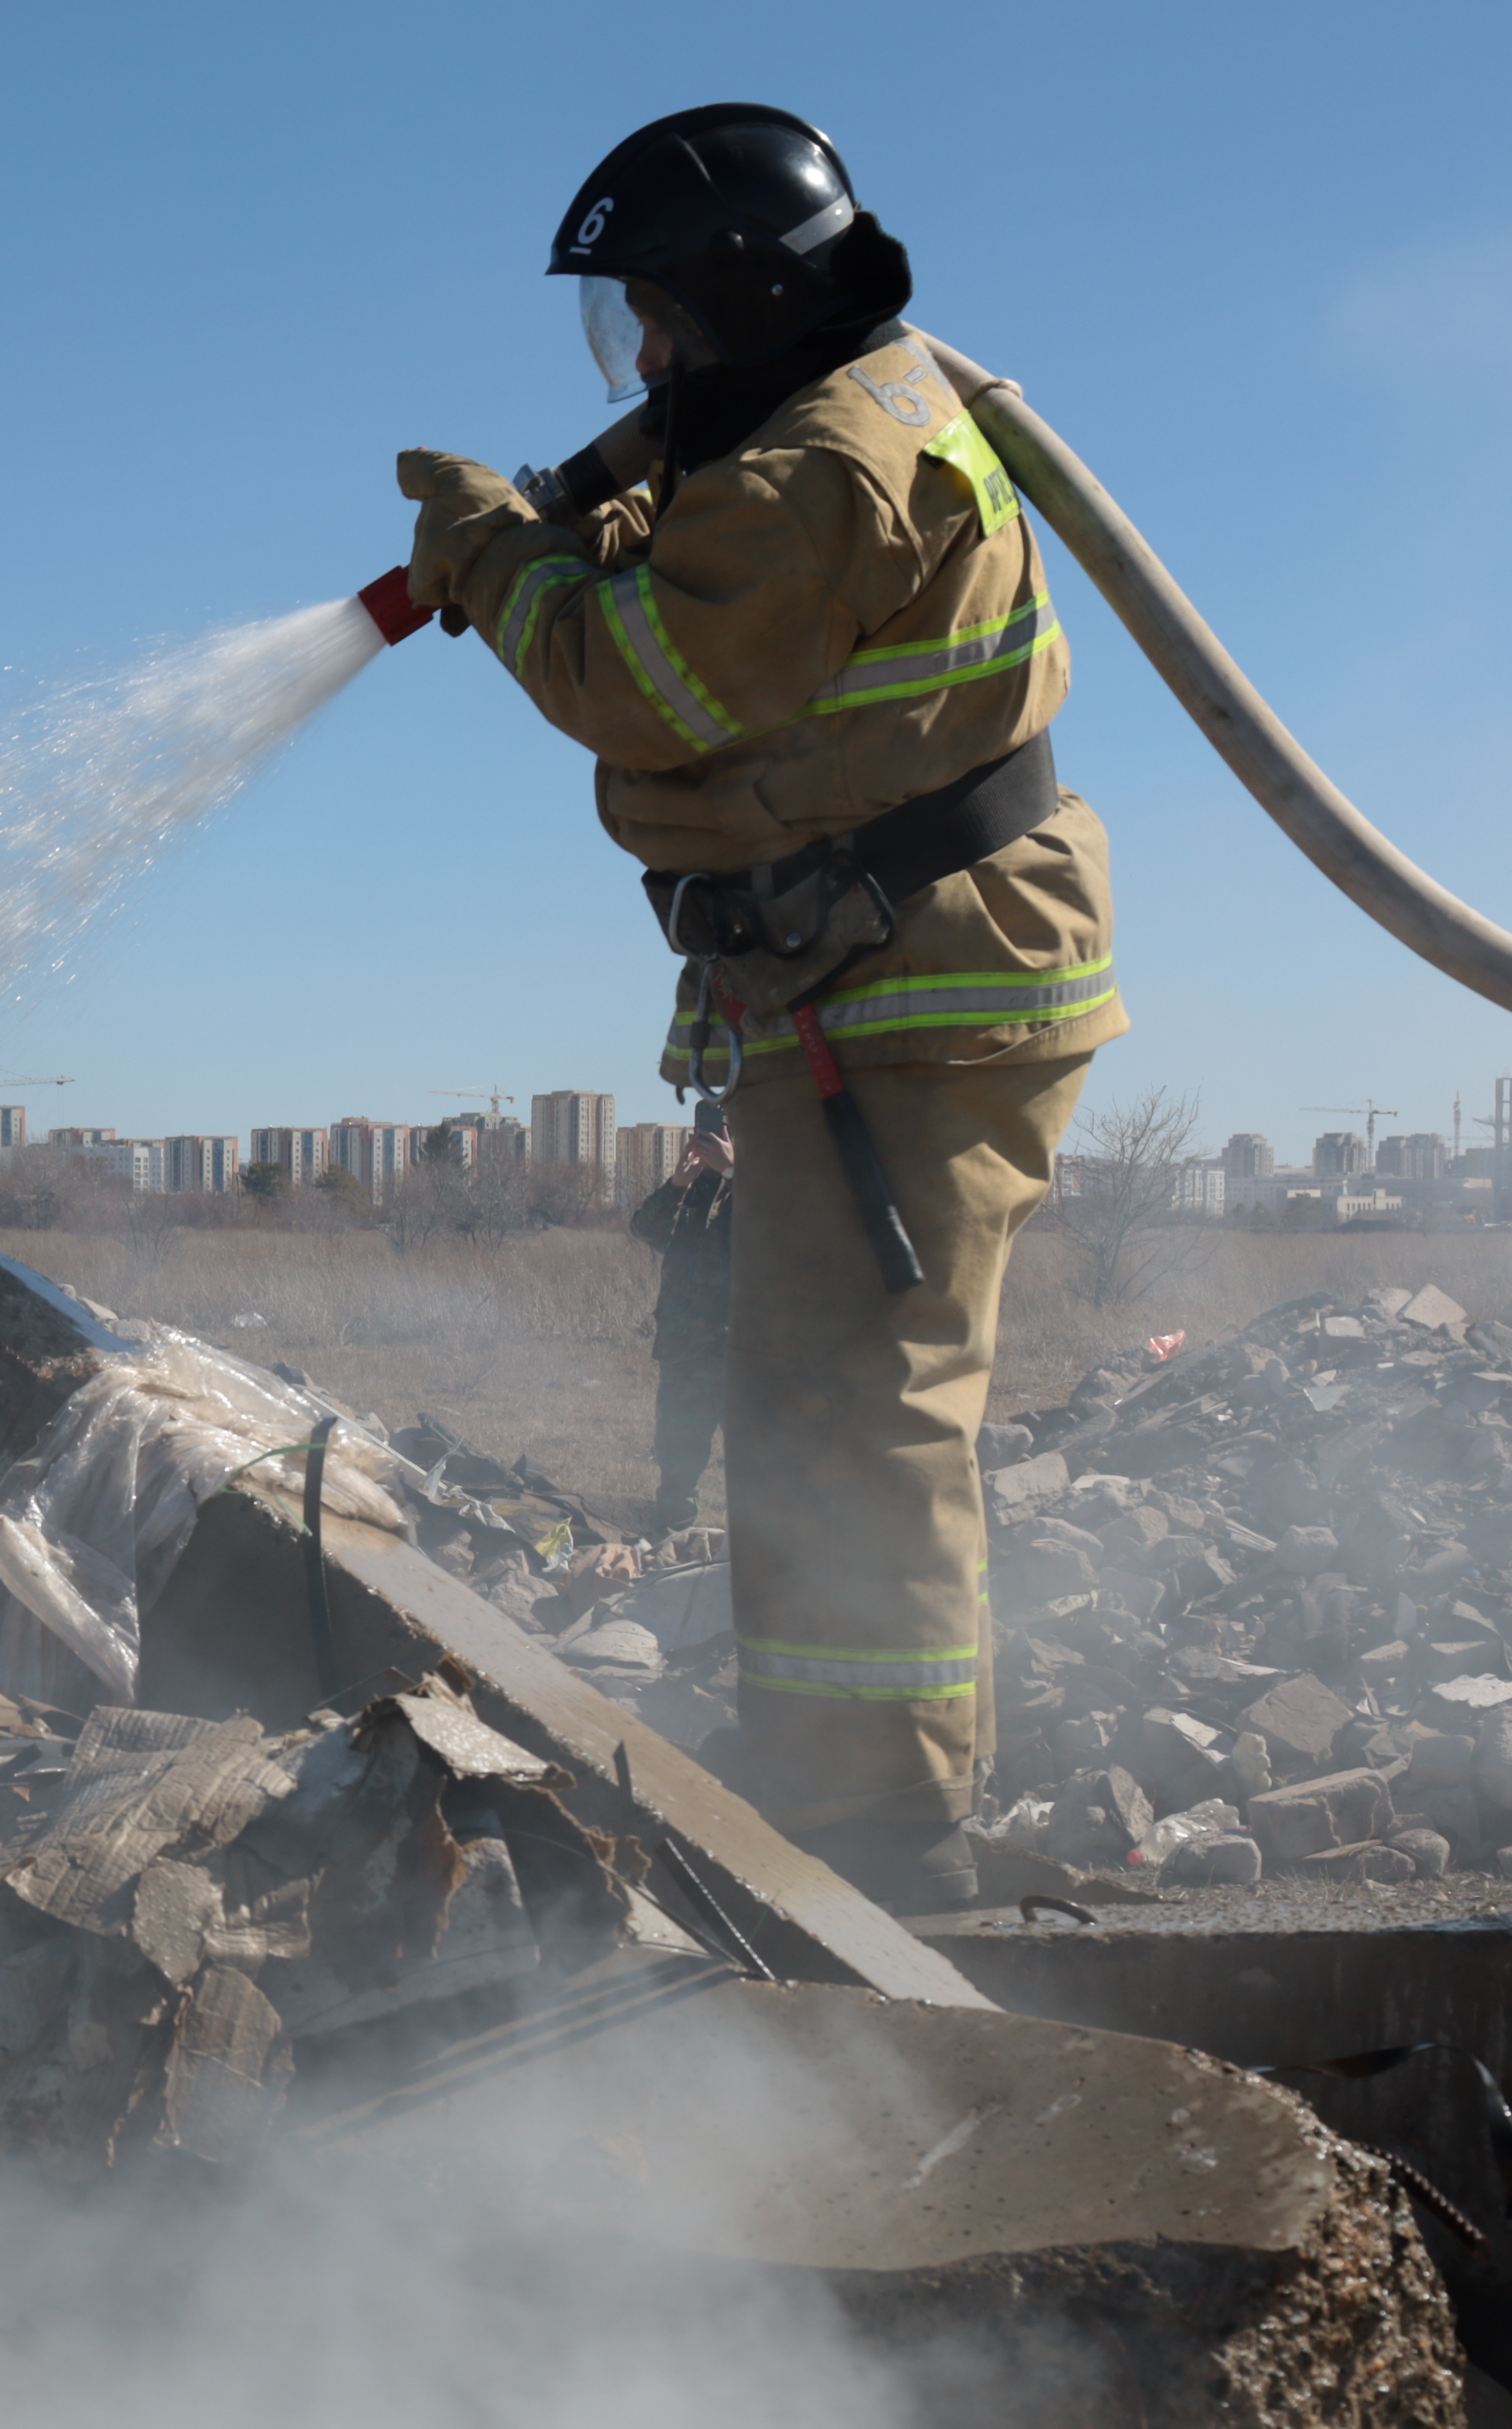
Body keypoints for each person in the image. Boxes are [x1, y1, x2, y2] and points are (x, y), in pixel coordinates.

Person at [395, 105, 1119, 1907]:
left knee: (861, 1403)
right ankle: (832, 1778)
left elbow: (642, 681)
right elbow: (735, 595)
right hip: (884, 966)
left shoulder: (817, 465)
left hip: (918, 981)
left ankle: (884, 1833)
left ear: (742, 301)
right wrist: (624, 485)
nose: (639, 358)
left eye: (659, 317)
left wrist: (498, 551)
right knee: (808, 1400)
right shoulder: (814, 416)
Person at [629, 1105, 733, 1527]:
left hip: (738, 1353)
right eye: (704, 1132)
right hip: (683, 1354)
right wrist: (677, 1183)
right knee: (677, 1458)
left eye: (720, 1132)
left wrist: (733, 1173)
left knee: (759, 1464)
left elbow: (780, 1231)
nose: (710, 1140)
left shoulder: (761, 1187)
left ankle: (760, 1561)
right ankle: (672, 1542)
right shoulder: (693, 1191)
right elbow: (644, 1229)